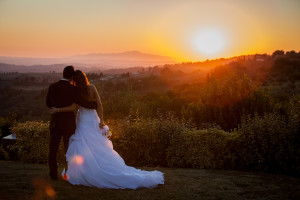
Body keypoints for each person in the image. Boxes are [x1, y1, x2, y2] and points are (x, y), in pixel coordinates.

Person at [51, 70, 164, 189]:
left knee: (83, 145)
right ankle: (94, 169)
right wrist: (101, 121)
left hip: (82, 120)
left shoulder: (76, 91)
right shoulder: (92, 87)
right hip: (92, 118)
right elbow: (99, 105)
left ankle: (84, 172)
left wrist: (57, 110)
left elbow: (74, 107)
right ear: (84, 78)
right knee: (96, 144)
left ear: (75, 80)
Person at [46, 66, 98, 180]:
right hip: (68, 124)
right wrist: (94, 105)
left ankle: (53, 174)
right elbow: (81, 102)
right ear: (71, 77)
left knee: (53, 149)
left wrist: (57, 109)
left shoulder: (53, 86)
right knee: (69, 150)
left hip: (55, 122)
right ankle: (69, 174)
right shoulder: (73, 89)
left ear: (63, 74)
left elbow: (48, 103)